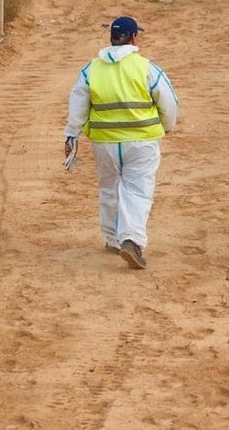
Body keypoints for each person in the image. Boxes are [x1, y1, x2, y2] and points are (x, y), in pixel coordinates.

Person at [64, 17, 177, 270]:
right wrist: (166, 127)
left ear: (112, 38)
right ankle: (132, 240)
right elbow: (168, 103)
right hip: (141, 142)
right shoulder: (146, 68)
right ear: (134, 37)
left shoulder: (91, 69)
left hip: (104, 142)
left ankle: (113, 239)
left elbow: (77, 106)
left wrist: (71, 136)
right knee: (137, 190)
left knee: (110, 187)